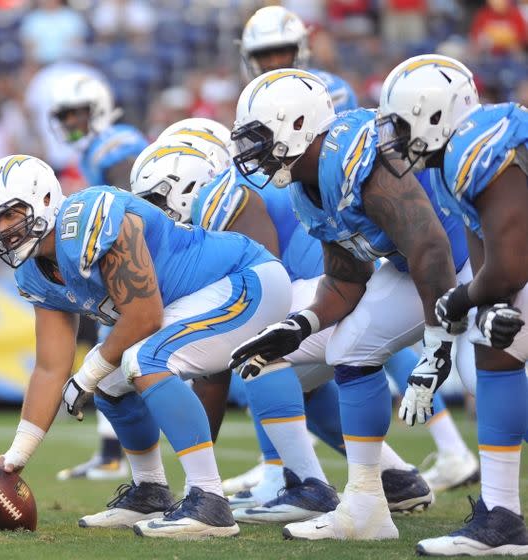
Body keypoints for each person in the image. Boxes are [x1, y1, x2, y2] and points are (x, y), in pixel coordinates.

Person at [227, 4, 477, 495]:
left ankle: (498, 507)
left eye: (260, 138)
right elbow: (346, 280)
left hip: (469, 257)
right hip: (419, 268)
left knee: (484, 374)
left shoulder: (353, 153)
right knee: (348, 349)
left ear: (297, 125)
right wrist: (298, 325)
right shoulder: (304, 184)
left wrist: (438, 342)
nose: (251, 152)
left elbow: (429, 244)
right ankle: (368, 501)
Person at [0, 154, 293, 538]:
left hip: (246, 278)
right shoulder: (33, 272)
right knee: (112, 382)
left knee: (140, 361)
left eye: (10, 214)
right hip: (194, 300)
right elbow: (49, 368)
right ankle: (150, 491)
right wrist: (17, 456)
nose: (4, 229)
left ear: (43, 199)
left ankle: (209, 500)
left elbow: (144, 317)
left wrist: (89, 372)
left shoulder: (88, 218)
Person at [131, 134, 432, 524]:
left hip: (331, 290)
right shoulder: (237, 190)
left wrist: (199, 480)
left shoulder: (221, 199)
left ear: (187, 186)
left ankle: (308, 485)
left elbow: (261, 290)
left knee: (254, 346)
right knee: (303, 382)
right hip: (337, 290)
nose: (150, 219)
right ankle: (395, 478)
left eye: (154, 202)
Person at [377, 54, 528, 556]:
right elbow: (487, 250)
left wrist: (460, 299)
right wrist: (481, 306)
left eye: (400, 123)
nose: (393, 136)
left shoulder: (476, 146)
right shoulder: (453, 160)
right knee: (495, 349)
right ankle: (502, 515)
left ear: (434, 114)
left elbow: (508, 267)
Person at [48, 72, 148, 481]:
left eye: (78, 113)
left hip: (144, 255)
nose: (72, 123)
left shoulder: (115, 143)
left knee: (116, 352)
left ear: (98, 109)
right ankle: (112, 454)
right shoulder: (92, 150)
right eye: (65, 116)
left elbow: (133, 195)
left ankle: (116, 456)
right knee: (114, 353)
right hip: (134, 256)